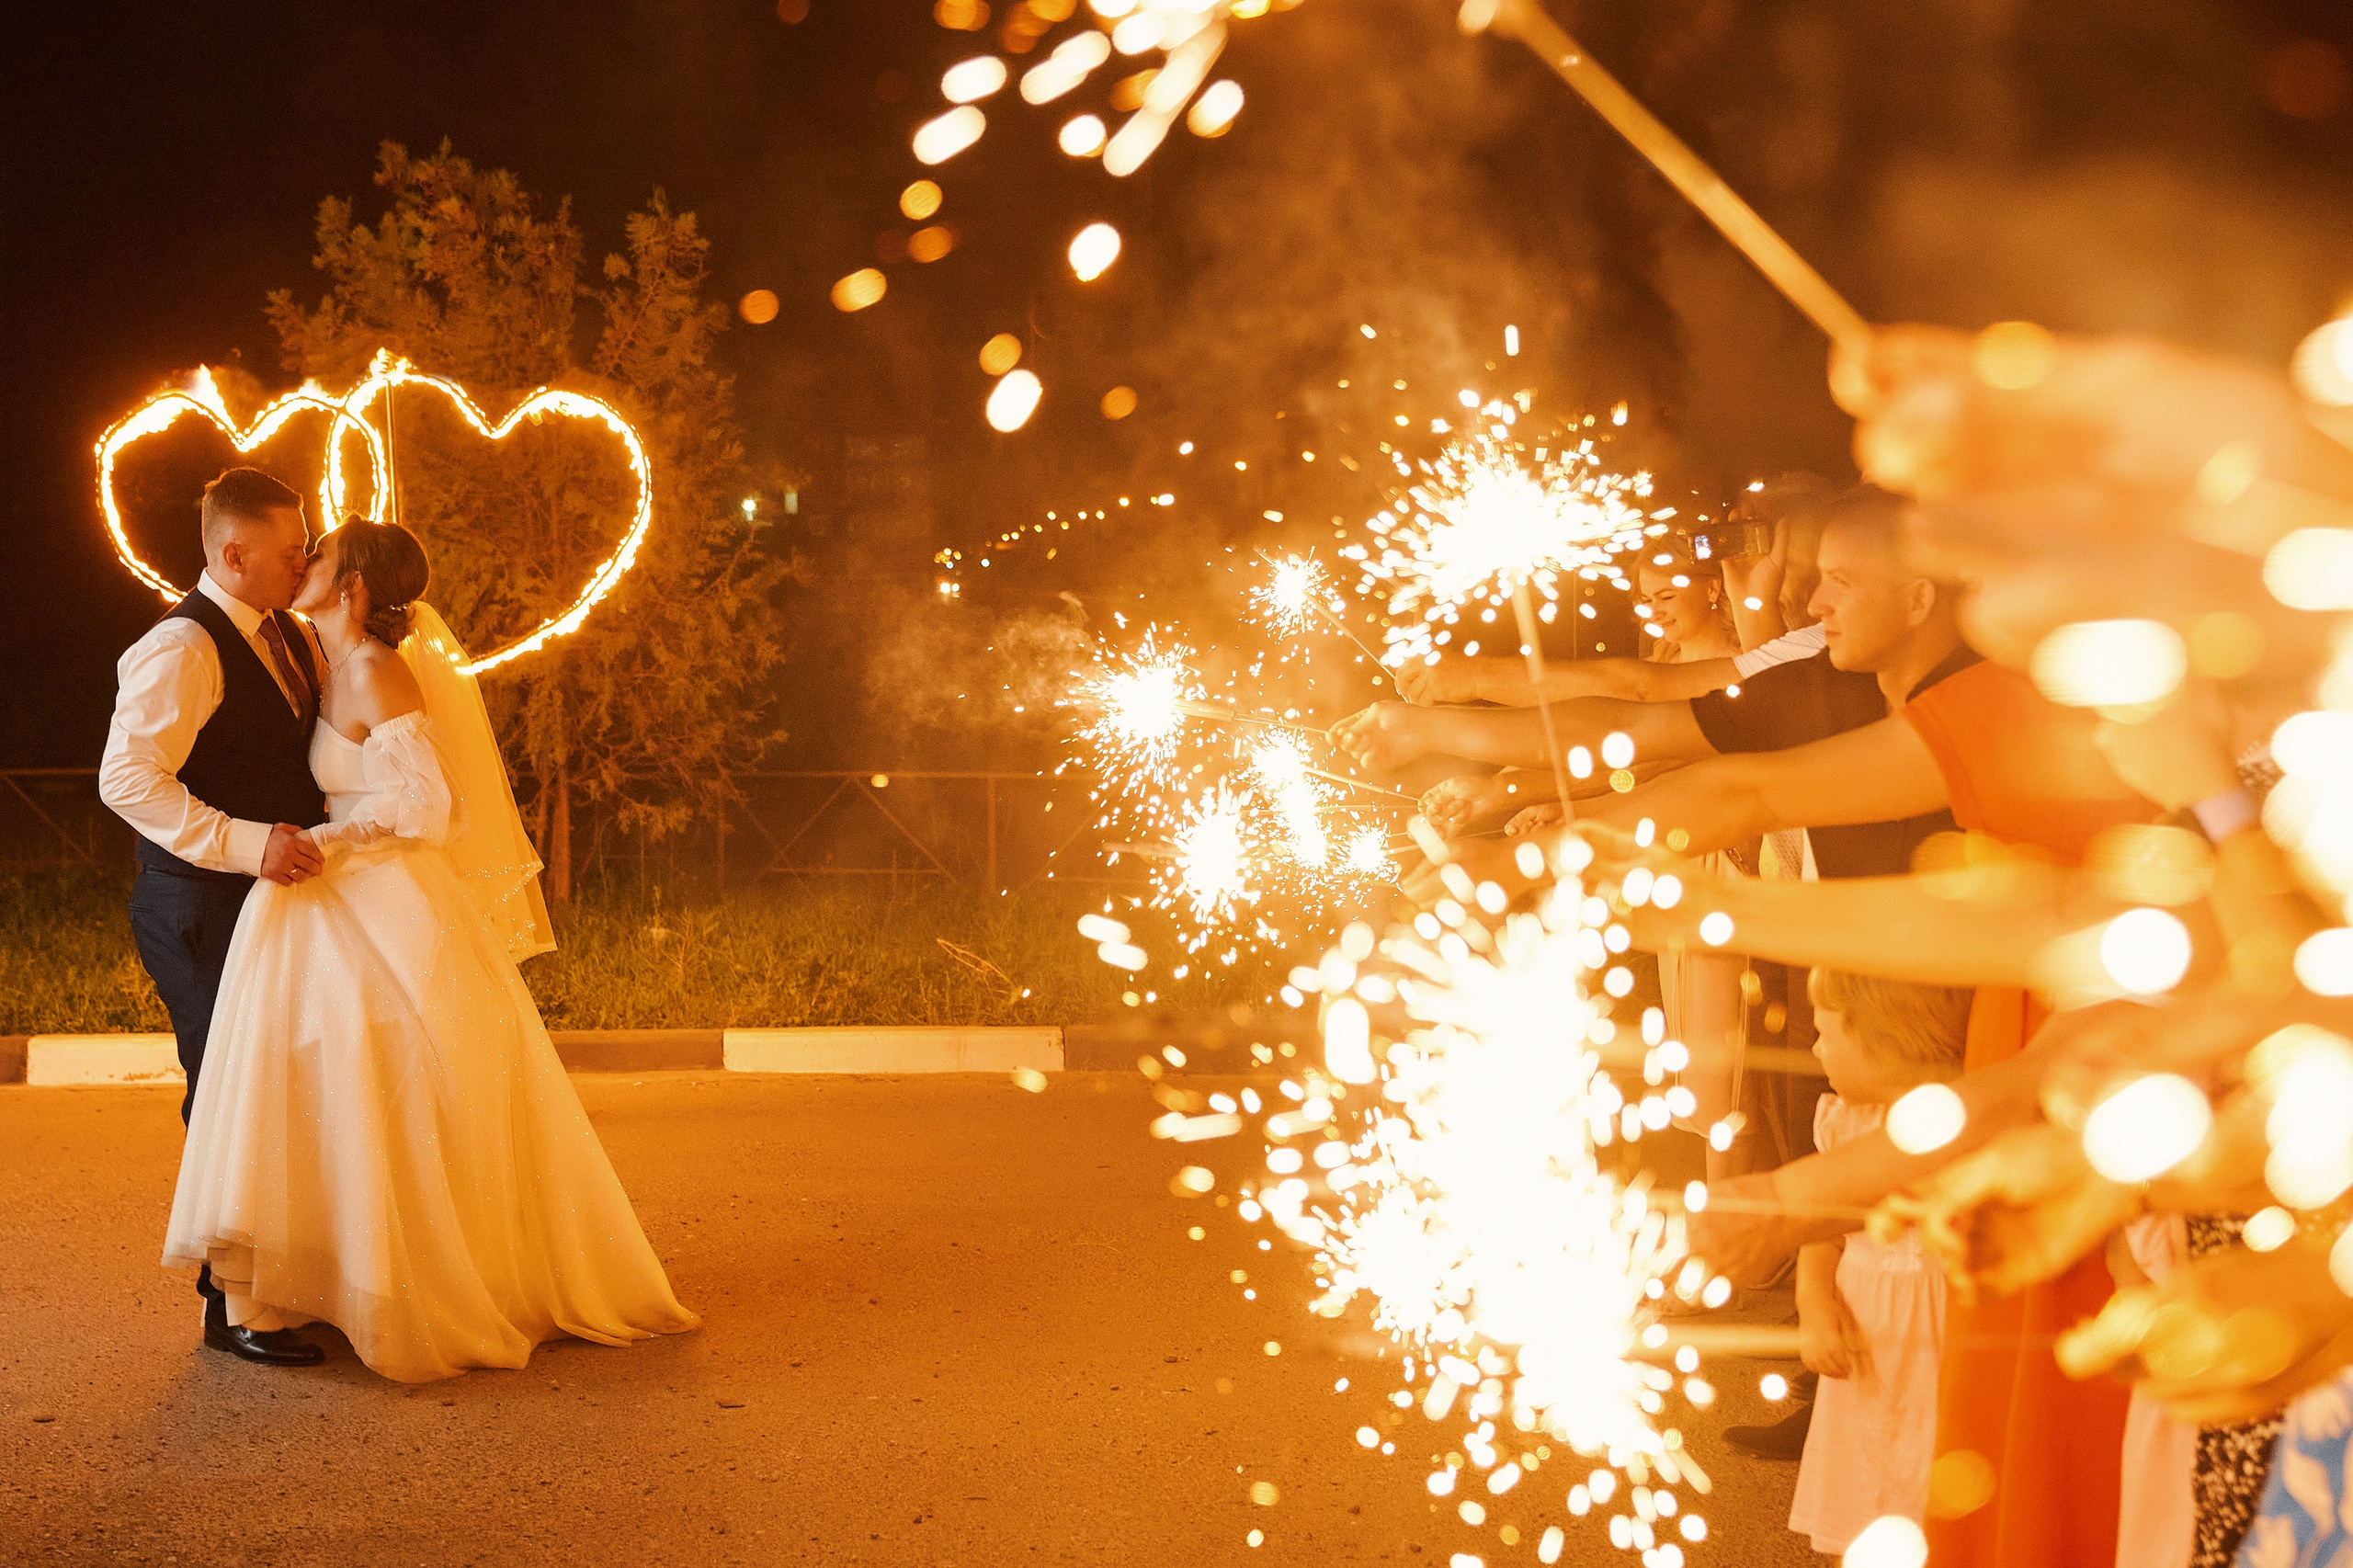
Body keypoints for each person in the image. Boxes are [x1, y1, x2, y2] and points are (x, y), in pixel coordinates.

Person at [162, 516, 699, 1381]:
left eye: (320, 556)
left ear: (354, 587)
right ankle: (333, 1280)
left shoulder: (377, 671)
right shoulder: (329, 663)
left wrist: (334, 840)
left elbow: (428, 809)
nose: (304, 563)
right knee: (330, 1095)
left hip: (382, 895)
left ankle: (414, 1281)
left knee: (399, 1092)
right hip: (329, 894)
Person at [100, 467, 332, 1368]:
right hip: (196, 904)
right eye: (289, 550)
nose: (302, 561)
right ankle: (232, 1305)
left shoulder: (288, 634)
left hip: (270, 906)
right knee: (230, 1093)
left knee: (277, 1090)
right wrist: (245, 843)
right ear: (232, 554)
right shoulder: (182, 648)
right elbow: (127, 779)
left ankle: (266, 1287)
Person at [1785, 969, 1971, 1557]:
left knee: (1937, 1490)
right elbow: (1822, 1235)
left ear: (1885, 1043)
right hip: (1868, 1356)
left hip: (1942, 1351)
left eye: (1826, 1034)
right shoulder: (1846, 1124)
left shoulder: (1969, 1126)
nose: (1816, 1049)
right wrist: (1814, 1305)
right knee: (1862, 1493)